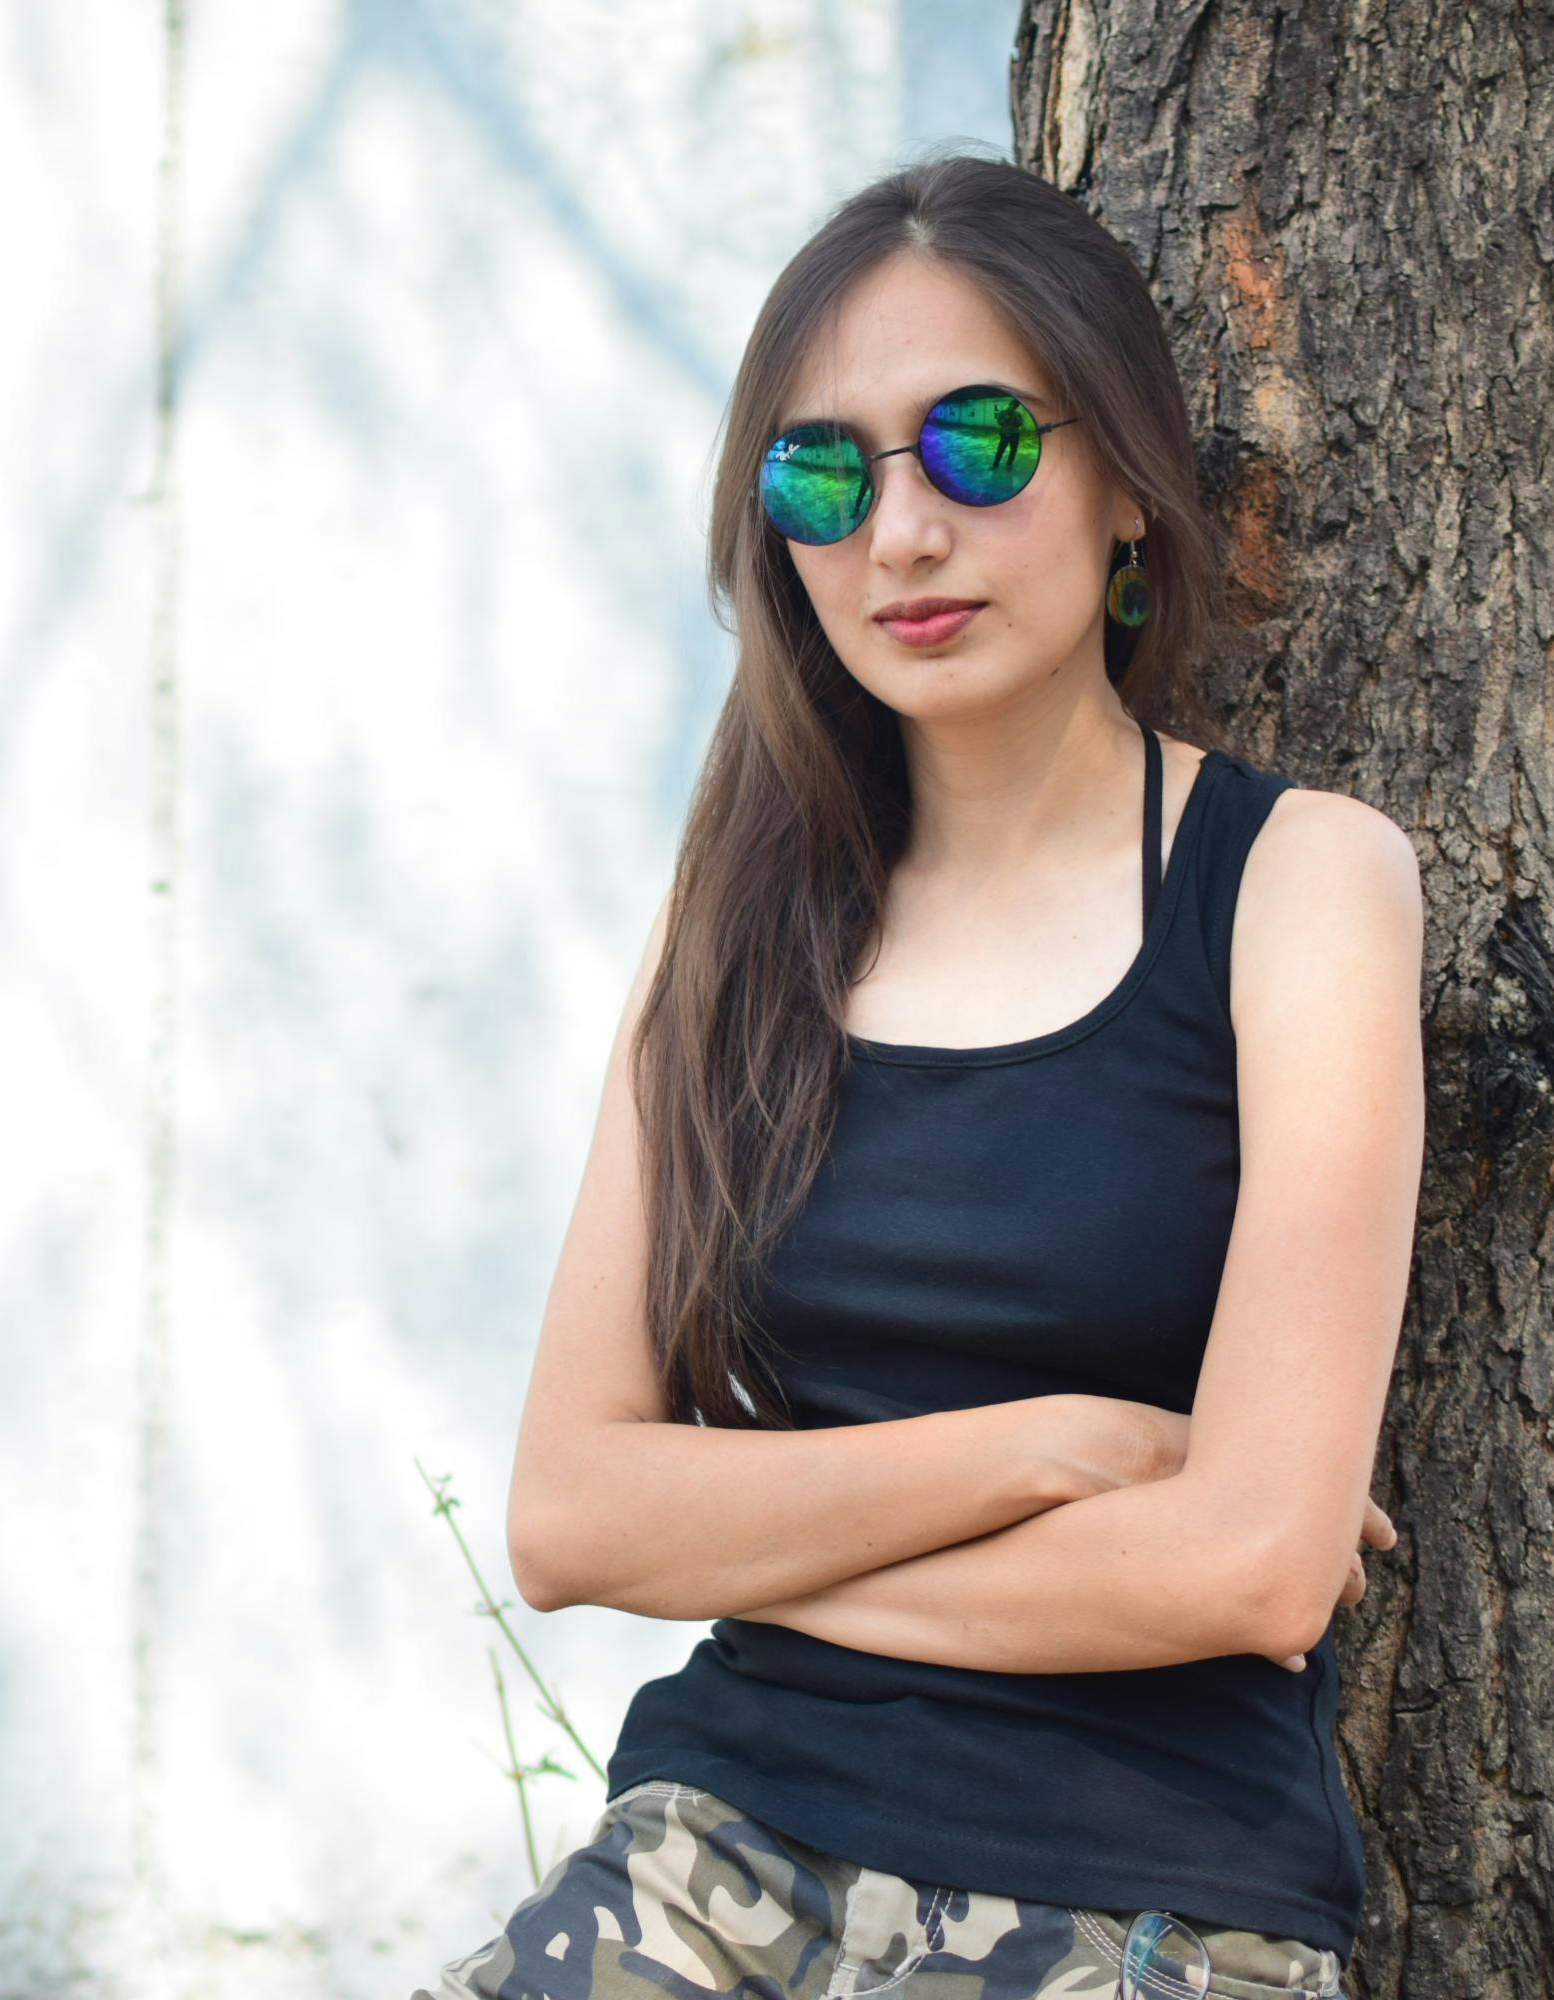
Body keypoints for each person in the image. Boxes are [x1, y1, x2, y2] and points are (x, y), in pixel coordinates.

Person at [412, 155, 1424, 2000]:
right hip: (710, 1865)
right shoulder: (732, 926)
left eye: (974, 444)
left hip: (1139, 1906)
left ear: (1125, 478)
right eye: (823, 472)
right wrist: (1052, 1453)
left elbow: (1259, 1573)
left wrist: (757, 1560)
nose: (899, 534)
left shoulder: (1297, 886)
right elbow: (568, 1513)